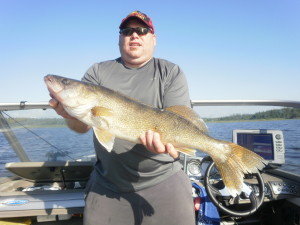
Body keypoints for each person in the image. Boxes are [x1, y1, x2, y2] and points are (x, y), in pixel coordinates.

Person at [49, 10, 195, 225]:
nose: (134, 35)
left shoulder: (170, 72)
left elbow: (179, 119)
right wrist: (69, 115)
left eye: (142, 31)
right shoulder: (97, 72)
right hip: (107, 185)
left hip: (164, 180)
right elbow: (82, 127)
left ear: (153, 39)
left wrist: (166, 143)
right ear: (119, 39)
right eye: (127, 31)